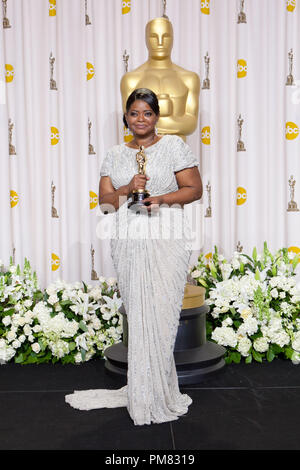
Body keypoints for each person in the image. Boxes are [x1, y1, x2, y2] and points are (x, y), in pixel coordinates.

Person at [65, 88, 203, 426]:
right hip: (128, 236)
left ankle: (159, 391)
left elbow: (194, 189)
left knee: (162, 311)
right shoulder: (114, 154)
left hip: (167, 234)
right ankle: (144, 392)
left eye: (147, 113)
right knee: (140, 312)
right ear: (125, 117)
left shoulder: (173, 146)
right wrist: (127, 188)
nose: (140, 119)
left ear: (157, 117)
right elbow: (105, 203)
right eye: (134, 113)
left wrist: (159, 200)